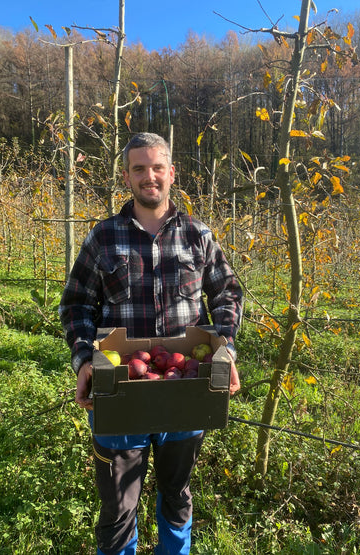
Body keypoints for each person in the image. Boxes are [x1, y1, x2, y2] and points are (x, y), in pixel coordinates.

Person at [59, 132, 242, 555]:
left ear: (171, 172)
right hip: (120, 390)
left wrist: (225, 348)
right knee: (119, 505)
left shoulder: (198, 236)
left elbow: (227, 295)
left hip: (187, 389)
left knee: (177, 494)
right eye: (139, 169)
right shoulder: (103, 238)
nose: (149, 177)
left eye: (157, 167)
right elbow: (76, 305)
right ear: (127, 176)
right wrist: (85, 359)